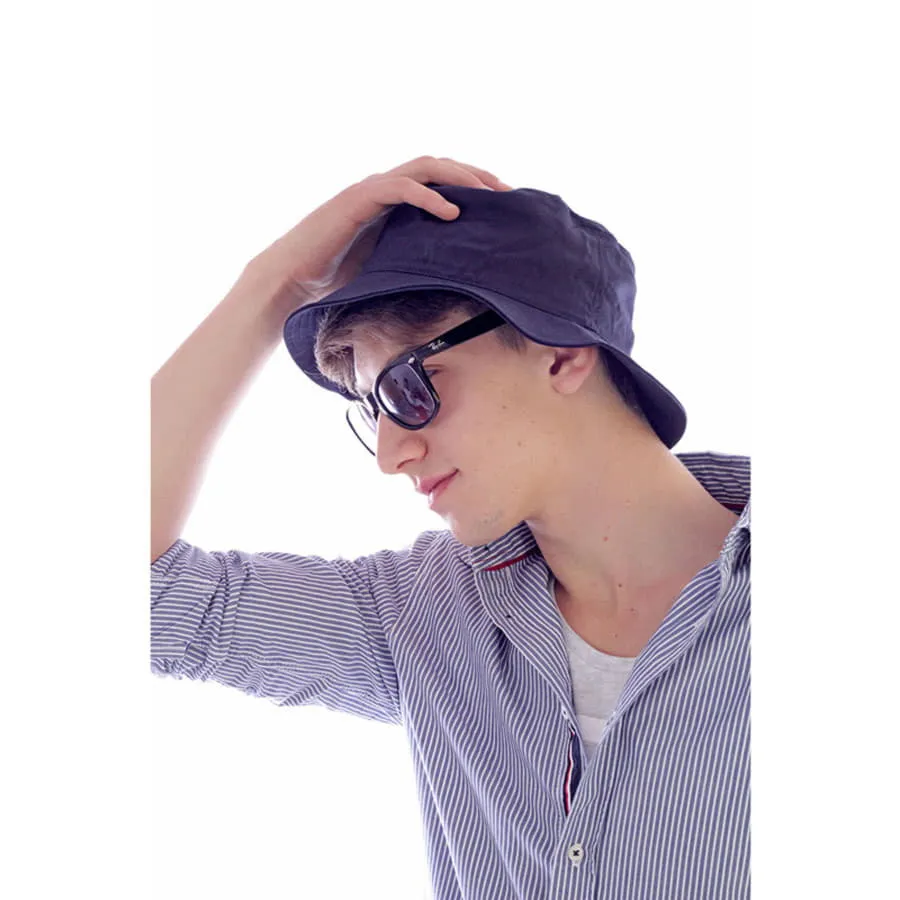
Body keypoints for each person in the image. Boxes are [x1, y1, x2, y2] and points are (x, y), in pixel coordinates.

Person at [151, 156, 750, 900]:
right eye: (371, 411)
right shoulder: (421, 613)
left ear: (561, 355)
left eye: (408, 389)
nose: (391, 455)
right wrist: (273, 285)